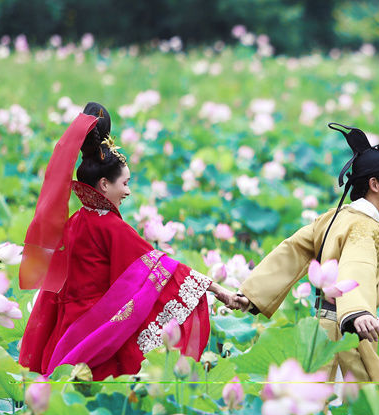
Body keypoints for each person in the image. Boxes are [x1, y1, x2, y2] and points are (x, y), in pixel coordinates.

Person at [18, 102, 242, 380]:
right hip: (94, 329)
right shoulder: (111, 226)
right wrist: (218, 290)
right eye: (124, 183)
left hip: (65, 328)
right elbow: (164, 267)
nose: (128, 191)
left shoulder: (76, 220)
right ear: (103, 185)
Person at [238, 123, 379, 384]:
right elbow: (356, 266)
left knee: (313, 403)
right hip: (344, 336)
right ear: (374, 184)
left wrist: (250, 295)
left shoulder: (333, 217)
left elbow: (291, 251)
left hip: (319, 331)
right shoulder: (364, 226)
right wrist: (358, 312)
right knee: (360, 408)